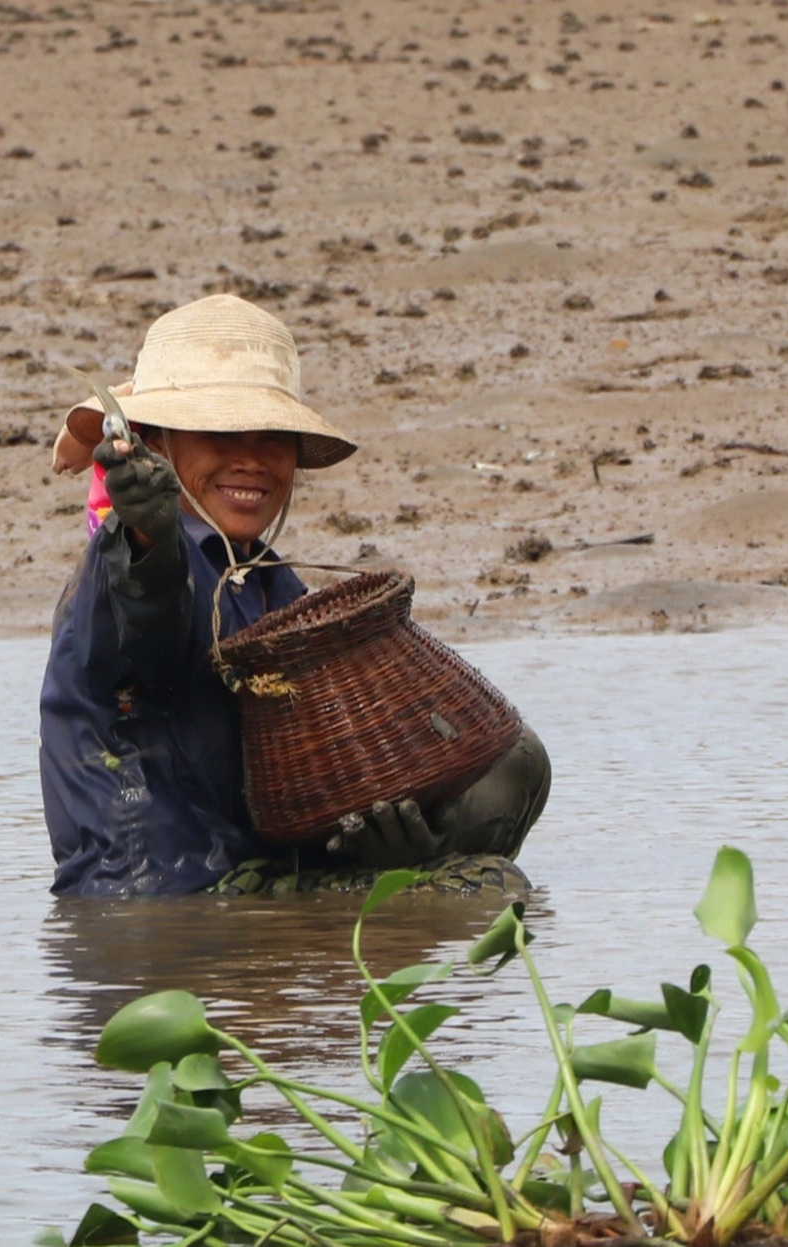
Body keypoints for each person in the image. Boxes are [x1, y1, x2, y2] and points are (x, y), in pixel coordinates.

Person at [39, 294, 549, 897]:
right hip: (156, 901)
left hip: (263, 878)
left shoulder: (268, 580)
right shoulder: (126, 559)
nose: (251, 461)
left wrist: (405, 841)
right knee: (485, 893)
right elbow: (147, 610)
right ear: (156, 443)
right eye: (219, 433)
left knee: (513, 766)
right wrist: (149, 532)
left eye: (272, 439)